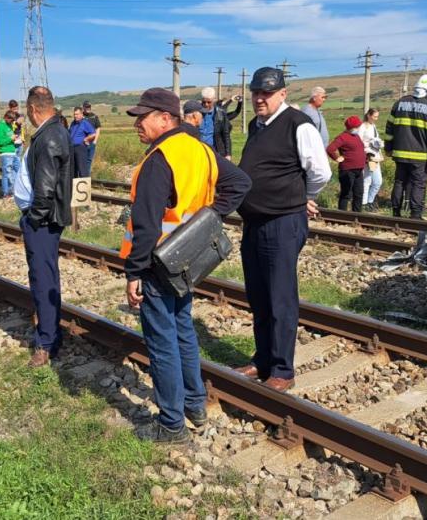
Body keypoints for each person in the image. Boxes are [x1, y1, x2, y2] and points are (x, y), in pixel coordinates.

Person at [122, 88, 251, 443]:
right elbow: (240, 183)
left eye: (142, 117)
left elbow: (146, 224)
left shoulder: (159, 158)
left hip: (157, 262)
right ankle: (195, 405)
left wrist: (134, 272)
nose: (137, 124)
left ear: (166, 118)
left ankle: (171, 425)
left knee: (162, 341)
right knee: (183, 331)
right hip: (187, 259)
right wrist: (208, 219)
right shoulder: (201, 150)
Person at [234, 67, 331, 392]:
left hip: (282, 222)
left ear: (282, 93)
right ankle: (262, 359)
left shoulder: (298, 124)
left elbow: (320, 171)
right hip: (255, 221)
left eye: (267, 93)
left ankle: (282, 369)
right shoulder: (256, 125)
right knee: (258, 294)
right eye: (256, 93)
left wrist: (303, 197)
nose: (260, 98)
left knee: (280, 296)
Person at [15, 86, 73, 368]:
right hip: (44, 219)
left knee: (42, 279)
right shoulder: (53, 131)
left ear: (32, 109)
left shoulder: (49, 136)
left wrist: (33, 218)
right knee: (46, 275)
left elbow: (46, 188)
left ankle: (46, 341)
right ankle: (51, 334)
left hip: (42, 221)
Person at [386, 74, 427, 219]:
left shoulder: (399, 103)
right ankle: (415, 215)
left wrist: (388, 148)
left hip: (399, 154)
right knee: (419, 184)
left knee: (399, 182)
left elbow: (389, 128)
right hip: (420, 157)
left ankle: (396, 213)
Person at [327, 116, 367, 212]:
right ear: (352, 127)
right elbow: (330, 149)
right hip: (347, 170)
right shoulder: (342, 137)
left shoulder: (356, 136)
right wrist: (337, 158)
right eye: (357, 127)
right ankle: (342, 215)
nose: (359, 128)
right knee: (346, 194)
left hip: (359, 170)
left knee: (358, 193)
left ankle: (357, 215)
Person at [199, 87, 242, 161]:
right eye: (204, 102)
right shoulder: (196, 113)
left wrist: (228, 154)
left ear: (213, 100)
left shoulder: (220, 115)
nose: (206, 105)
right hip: (199, 152)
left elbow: (226, 134)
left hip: (215, 151)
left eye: (209, 102)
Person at [358, 108, 384, 211]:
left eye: (377, 117)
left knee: (378, 181)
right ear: (369, 115)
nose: (376, 119)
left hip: (375, 156)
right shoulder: (362, 127)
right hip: (368, 156)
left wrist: (378, 144)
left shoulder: (373, 126)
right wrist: (369, 144)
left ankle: (370, 200)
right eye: (374, 116)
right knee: (367, 180)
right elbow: (358, 141)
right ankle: (364, 203)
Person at [68, 106, 97, 178]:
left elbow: (93, 134)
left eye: (77, 114)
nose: (75, 116)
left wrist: (87, 139)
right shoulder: (73, 123)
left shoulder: (85, 123)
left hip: (80, 148)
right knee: (73, 169)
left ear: (81, 114)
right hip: (72, 148)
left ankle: (84, 184)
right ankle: (74, 184)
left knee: (82, 169)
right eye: (74, 114)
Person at [0, 111, 19, 197]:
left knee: (18, 170)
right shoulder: (0, 127)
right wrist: (10, 139)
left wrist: (15, 138)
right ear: (6, 117)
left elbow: (9, 137)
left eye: (13, 120)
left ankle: (13, 190)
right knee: (7, 174)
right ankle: (6, 193)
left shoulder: (9, 125)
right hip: (5, 153)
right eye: (11, 120)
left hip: (13, 152)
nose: (12, 122)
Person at [82, 101, 102, 176]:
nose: (88, 108)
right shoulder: (81, 116)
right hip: (82, 143)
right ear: (83, 107)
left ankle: (87, 177)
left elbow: (98, 129)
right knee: (82, 161)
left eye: (89, 107)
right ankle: (81, 177)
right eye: (87, 107)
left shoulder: (94, 116)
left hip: (92, 143)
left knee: (89, 160)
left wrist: (95, 141)